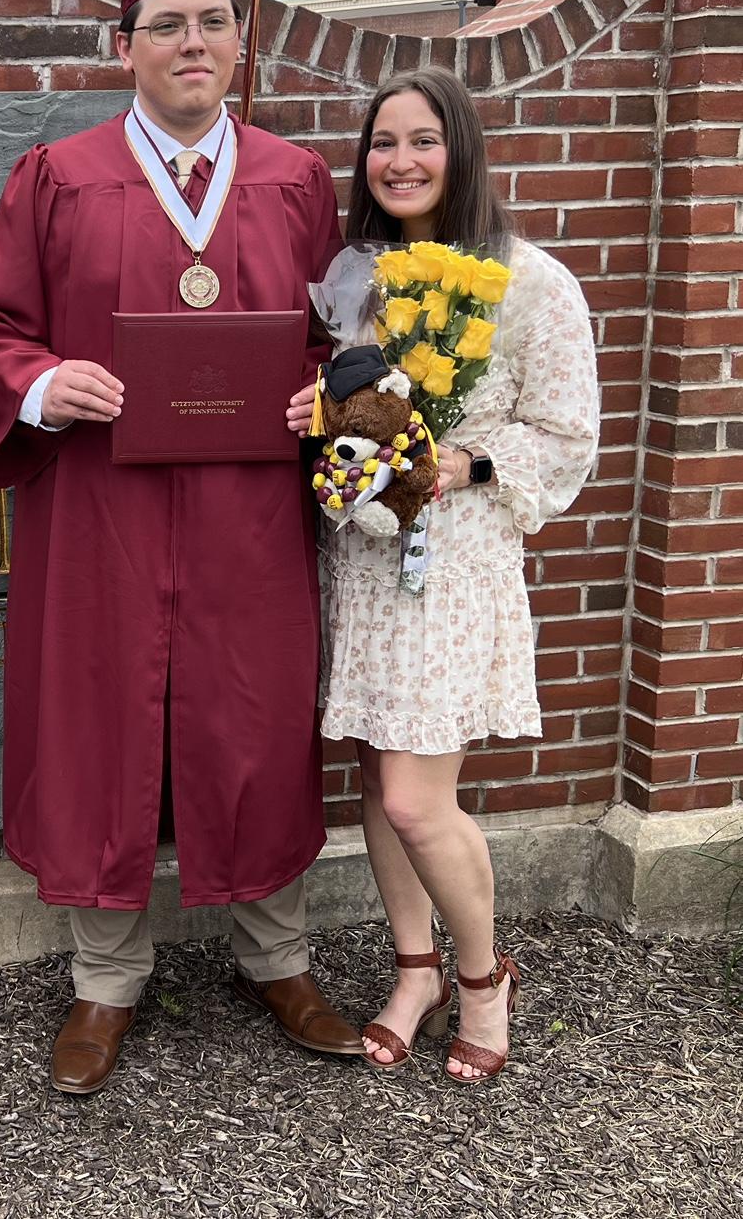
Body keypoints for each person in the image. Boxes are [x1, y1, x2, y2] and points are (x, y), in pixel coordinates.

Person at [0, 0, 357, 1096]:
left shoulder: (290, 182)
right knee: (98, 722)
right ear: (124, 44)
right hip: (101, 513)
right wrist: (40, 380)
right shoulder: (61, 178)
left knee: (256, 719)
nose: (191, 41)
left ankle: (274, 959)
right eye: (166, 23)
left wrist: (322, 401)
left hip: (250, 519)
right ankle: (106, 983)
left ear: (241, 41)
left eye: (212, 22)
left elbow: (343, 343)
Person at [285, 68, 600, 1081]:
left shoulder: (530, 281)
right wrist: (320, 418)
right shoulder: (356, 279)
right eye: (384, 143)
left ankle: (482, 977)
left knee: (421, 799)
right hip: (370, 559)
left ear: (459, 151)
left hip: (454, 564)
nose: (401, 160)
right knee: (383, 783)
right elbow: (343, 407)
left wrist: (464, 458)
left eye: (423, 140)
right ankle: (412, 971)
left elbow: (567, 434)